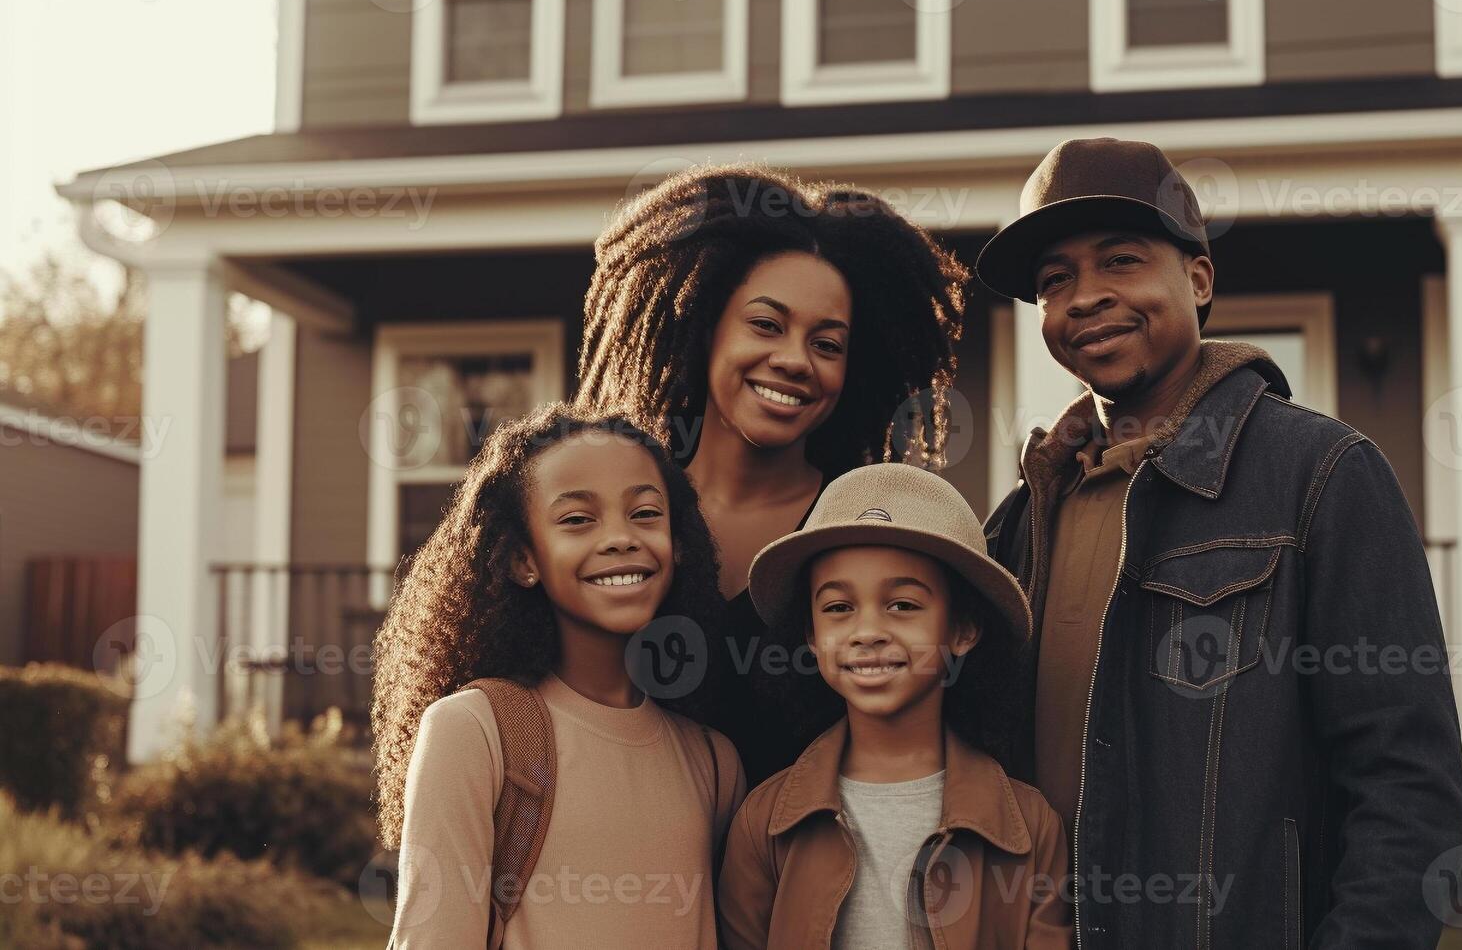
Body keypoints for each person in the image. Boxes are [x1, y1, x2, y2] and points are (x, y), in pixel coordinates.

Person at [978, 138, 1462, 948]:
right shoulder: (1023, 518)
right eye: (1053, 280)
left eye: (1120, 261)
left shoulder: (1322, 475)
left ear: (1197, 279)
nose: (1085, 297)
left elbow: (1406, 786)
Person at [575, 166, 967, 785]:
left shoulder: (863, 526)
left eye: (827, 344)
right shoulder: (611, 514)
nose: (793, 360)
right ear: (703, 327)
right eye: (766, 325)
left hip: (805, 874)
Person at [372, 405, 744, 949]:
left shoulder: (713, 762)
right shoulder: (475, 732)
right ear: (524, 560)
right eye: (577, 519)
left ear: (679, 544)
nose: (620, 538)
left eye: (644, 513)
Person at [718, 462, 1072, 949]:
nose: (867, 632)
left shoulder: (1030, 827)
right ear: (811, 635)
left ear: (963, 629)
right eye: (838, 607)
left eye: (903, 605)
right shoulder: (764, 822)